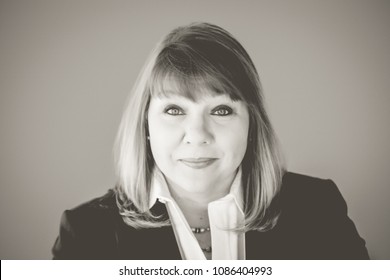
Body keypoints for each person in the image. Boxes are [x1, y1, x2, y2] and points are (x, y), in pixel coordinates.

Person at [52, 22, 369, 260]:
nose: (198, 134)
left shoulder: (318, 210)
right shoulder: (86, 233)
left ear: (251, 124)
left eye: (221, 109)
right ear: (145, 124)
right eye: (174, 109)